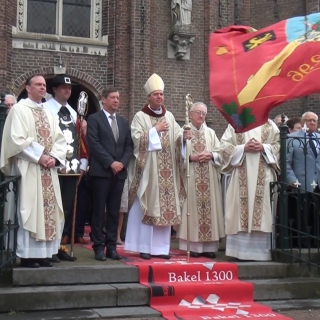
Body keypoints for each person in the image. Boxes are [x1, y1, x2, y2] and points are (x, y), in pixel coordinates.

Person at [0, 74, 66, 268]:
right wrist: (40, 156)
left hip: (48, 171)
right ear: (28, 88)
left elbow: (60, 140)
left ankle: (44, 254)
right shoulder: (19, 110)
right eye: (38, 85)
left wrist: (54, 157)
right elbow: (16, 140)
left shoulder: (48, 113)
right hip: (29, 169)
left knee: (48, 212)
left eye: (44, 85)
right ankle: (28, 256)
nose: (42, 88)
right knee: (29, 210)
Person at [124, 73, 185, 260]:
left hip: (168, 173)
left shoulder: (170, 116)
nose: (160, 97)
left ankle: (161, 248)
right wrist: (154, 130)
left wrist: (183, 140)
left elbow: (177, 139)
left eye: (161, 94)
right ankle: (143, 246)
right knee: (147, 207)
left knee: (165, 208)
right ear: (148, 97)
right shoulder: (140, 117)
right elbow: (136, 139)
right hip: (149, 173)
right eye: (156, 94)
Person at [220, 119, 280, 261]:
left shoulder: (270, 125)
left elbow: (278, 145)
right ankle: (238, 251)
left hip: (264, 174)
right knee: (239, 210)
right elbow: (223, 146)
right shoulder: (236, 122)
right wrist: (243, 148)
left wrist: (264, 147)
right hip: (241, 172)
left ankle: (261, 253)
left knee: (262, 210)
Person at [43, 74, 89, 250]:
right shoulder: (45, 109)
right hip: (52, 165)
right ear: (54, 89)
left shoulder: (73, 112)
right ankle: (49, 245)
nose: (67, 90)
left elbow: (79, 141)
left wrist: (82, 163)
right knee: (51, 205)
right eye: (63, 87)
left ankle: (60, 243)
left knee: (67, 206)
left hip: (70, 167)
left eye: (69, 88)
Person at [87, 87, 133, 261]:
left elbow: (129, 145)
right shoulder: (94, 119)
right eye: (113, 97)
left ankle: (111, 247)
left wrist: (122, 163)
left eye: (118, 98)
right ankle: (98, 247)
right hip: (101, 173)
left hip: (119, 173)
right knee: (99, 211)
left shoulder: (122, 122)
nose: (116, 101)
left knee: (114, 211)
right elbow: (94, 143)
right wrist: (110, 162)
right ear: (103, 100)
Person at [178, 102, 225, 258]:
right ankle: (193, 247)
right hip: (191, 176)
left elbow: (220, 153)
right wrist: (190, 157)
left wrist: (212, 155)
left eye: (204, 113)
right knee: (192, 209)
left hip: (209, 176)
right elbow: (176, 154)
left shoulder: (211, 133)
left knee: (209, 209)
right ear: (190, 114)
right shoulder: (183, 132)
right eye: (198, 112)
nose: (201, 115)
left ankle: (209, 247)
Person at [117, 179, 128, 246]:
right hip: (108, 173)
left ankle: (118, 235)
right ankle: (109, 233)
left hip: (123, 174)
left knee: (121, 208)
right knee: (108, 207)